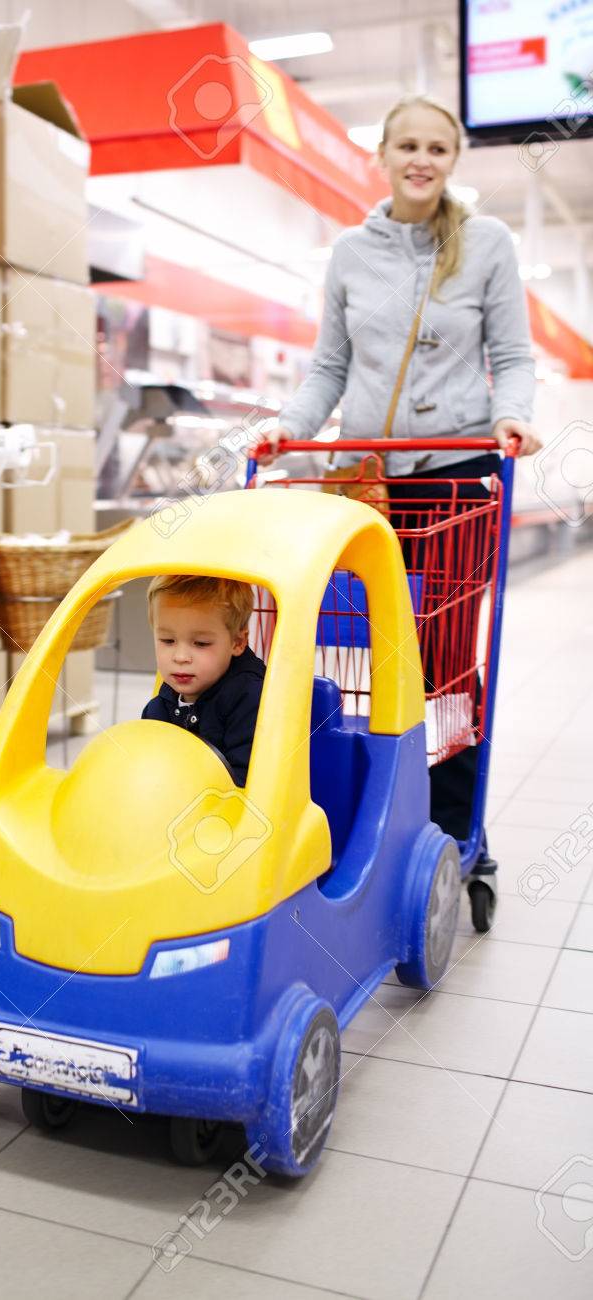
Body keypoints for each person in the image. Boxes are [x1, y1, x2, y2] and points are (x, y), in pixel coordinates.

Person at [271, 93, 541, 860]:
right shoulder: (351, 253)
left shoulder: (486, 243)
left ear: (452, 161)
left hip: (457, 477)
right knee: (359, 654)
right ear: (383, 155)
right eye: (408, 146)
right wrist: (286, 426)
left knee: (446, 659)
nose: (422, 160)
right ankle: (361, 809)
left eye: (437, 148)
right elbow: (329, 368)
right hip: (370, 483)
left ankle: (452, 828)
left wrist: (511, 415)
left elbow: (512, 355)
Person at [142, 575, 265, 786]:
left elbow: (248, 782)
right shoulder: (159, 707)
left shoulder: (251, 699)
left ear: (237, 642)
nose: (180, 657)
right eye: (168, 641)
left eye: (200, 643)